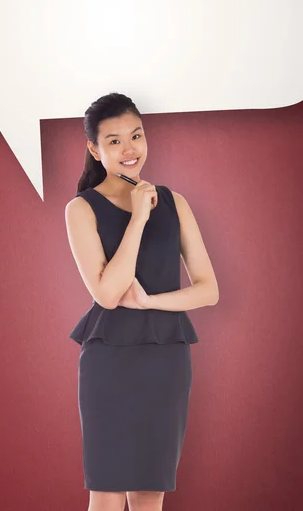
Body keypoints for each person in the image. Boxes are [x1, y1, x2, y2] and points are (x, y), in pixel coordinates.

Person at [65, 93, 219, 511]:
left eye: (136, 135)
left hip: (166, 358)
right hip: (109, 361)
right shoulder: (81, 209)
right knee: (109, 489)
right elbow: (108, 293)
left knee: (150, 490)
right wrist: (137, 217)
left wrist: (151, 301)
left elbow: (208, 289)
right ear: (94, 150)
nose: (130, 149)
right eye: (114, 141)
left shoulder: (175, 202)